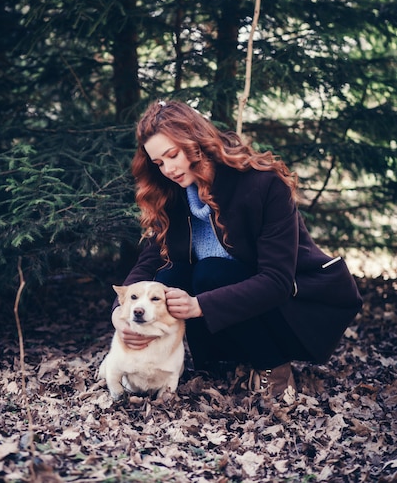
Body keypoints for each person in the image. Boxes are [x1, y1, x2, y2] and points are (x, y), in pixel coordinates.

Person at [112, 100, 362, 399]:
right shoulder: (172, 195)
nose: (168, 169)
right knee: (171, 271)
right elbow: (149, 264)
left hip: (287, 310)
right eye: (159, 163)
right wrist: (120, 313)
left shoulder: (262, 184)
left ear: (196, 142)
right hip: (223, 313)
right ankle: (216, 362)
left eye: (172, 155)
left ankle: (273, 365)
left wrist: (197, 305)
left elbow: (277, 281)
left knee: (211, 271)